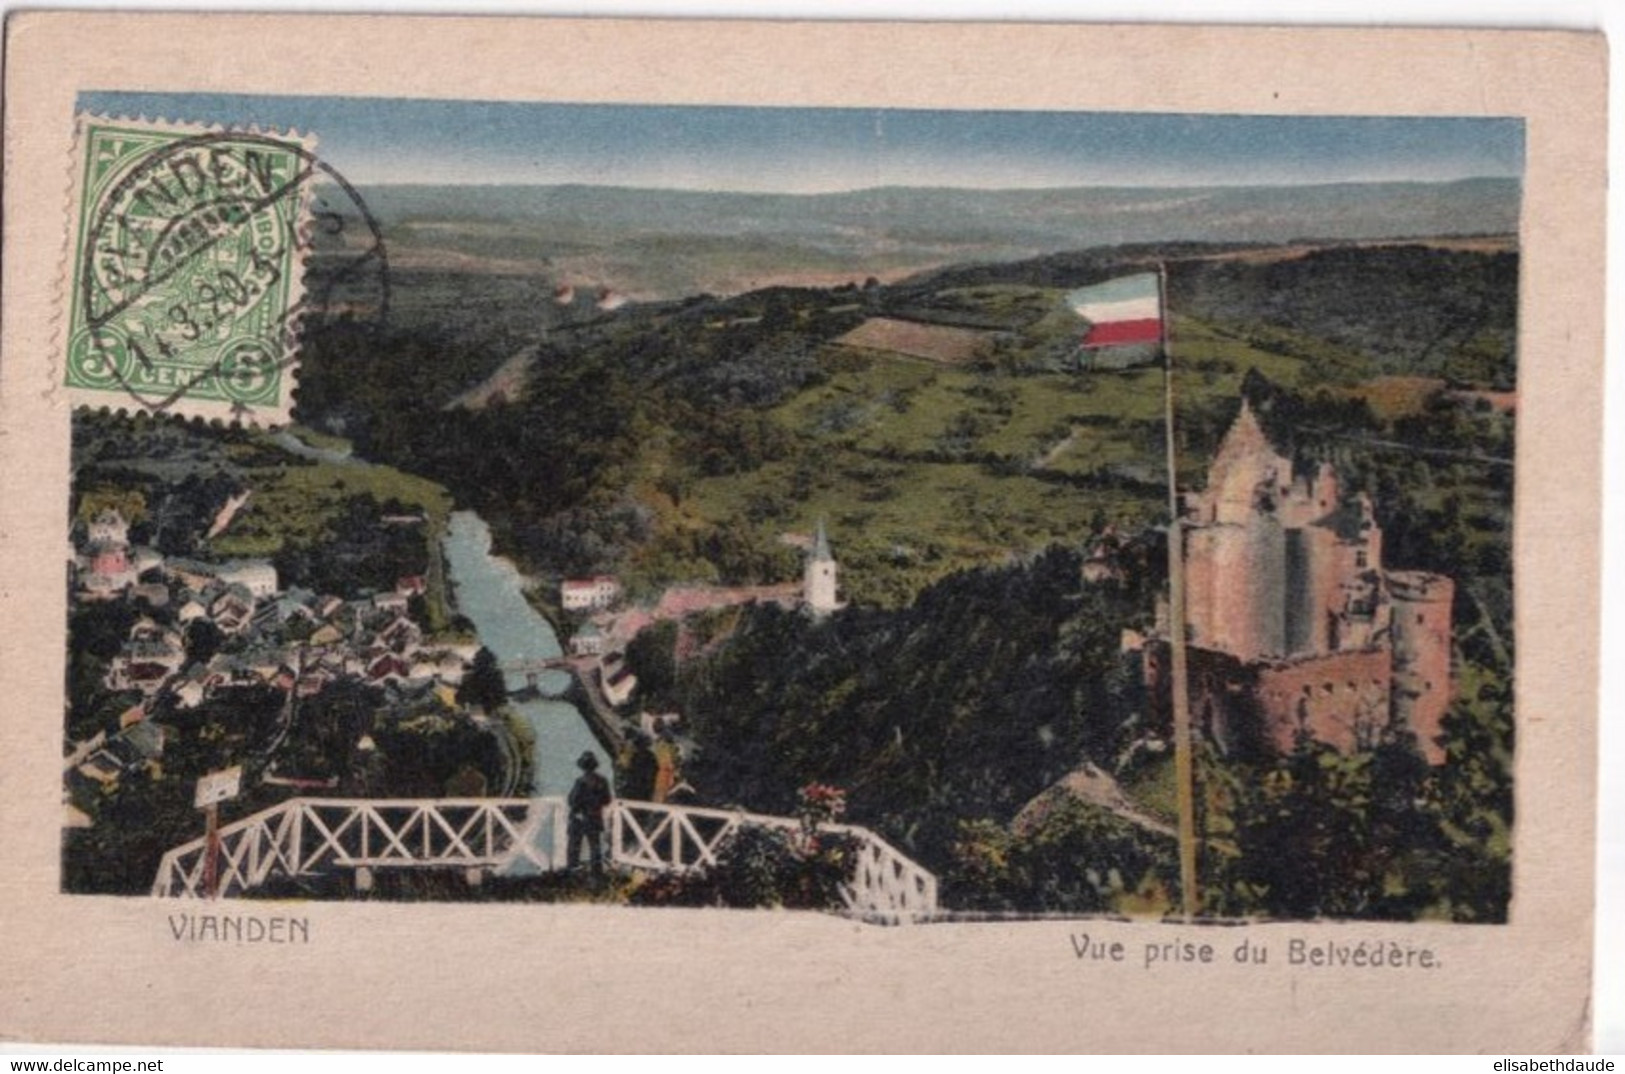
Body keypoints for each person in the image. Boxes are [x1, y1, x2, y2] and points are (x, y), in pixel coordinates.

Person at [567, 750, 613, 876]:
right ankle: (596, 871)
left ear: (583, 766)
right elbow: (607, 799)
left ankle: (573, 868)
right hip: (595, 816)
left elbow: (572, 800)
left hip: (580, 817)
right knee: (595, 845)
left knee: (575, 844)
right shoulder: (603, 781)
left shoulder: (580, 781)